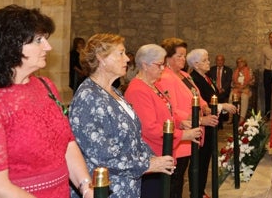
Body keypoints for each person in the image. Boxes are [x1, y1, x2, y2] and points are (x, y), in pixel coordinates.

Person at [0, 4, 94, 198]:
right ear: (10, 45)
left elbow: (67, 143)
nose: (48, 47)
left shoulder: (46, 86)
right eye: (38, 40)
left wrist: (86, 186)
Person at [69, 33, 175, 198]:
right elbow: (102, 154)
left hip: (127, 186)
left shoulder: (114, 92)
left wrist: (155, 157)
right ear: (101, 58)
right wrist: (147, 164)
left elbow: (133, 138)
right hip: (107, 189)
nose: (127, 59)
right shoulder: (88, 96)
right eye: (120, 53)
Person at [124, 44, 202, 198]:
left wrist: (180, 122)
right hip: (152, 154)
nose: (162, 69)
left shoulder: (154, 85)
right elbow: (149, 129)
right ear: (145, 65)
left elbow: (167, 110)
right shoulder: (138, 90)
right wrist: (183, 135)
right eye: (159, 65)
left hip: (163, 151)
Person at [156, 37, 218, 198]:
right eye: (179, 56)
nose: (184, 59)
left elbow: (196, 95)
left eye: (184, 55)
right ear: (167, 58)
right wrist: (199, 120)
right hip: (180, 132)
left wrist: (204, 106)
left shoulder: (185, 75)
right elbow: (172, 109)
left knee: (186, 172)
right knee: (176, 180)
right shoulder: (166, 77)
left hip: (192, 132)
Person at [187, 48, 237, 198]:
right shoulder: (194, 79)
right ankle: (195, 192)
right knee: (200, 161)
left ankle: (200, 191)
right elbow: (205, 101)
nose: (209, 62)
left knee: (206, 159)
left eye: (208, 59)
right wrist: (222, 107)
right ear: (195, 64)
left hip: (211, 123)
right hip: (203, 123)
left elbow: (214, 95)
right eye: (205, 60)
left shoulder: (206, 77)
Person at [208, 54, 233, 127]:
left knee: (220, 98)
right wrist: (215, 89)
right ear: (215, 61)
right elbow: (209, 81)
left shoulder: (228, 70)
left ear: (224, 61)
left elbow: (228, 82)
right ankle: (213, 120)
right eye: (218, 60)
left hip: (224, 91)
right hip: (214, 91)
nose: (219, 61)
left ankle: (220, 122)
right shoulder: (211, 70)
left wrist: (222, 89)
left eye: (221, 60)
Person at [260, 31, 272, 119]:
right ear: (269, 38)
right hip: (267, 72)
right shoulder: (264, 49)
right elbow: (262, 62)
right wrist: (263, 71)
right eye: (271, 37)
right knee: (267, 94)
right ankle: (267, 114)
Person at [231, 56, 255, 121]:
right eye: (238, 62)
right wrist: (238, 87)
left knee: (244, 97)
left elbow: (252, 81)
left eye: (241, 62)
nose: (239, 63)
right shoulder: (235, 71)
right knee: (231, 97)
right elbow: (232, 83)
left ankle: (242, 117)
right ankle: (231, 117)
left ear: (245, 63)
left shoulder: (249, 70)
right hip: (237, 89)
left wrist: (244, 86)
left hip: (246, 89)